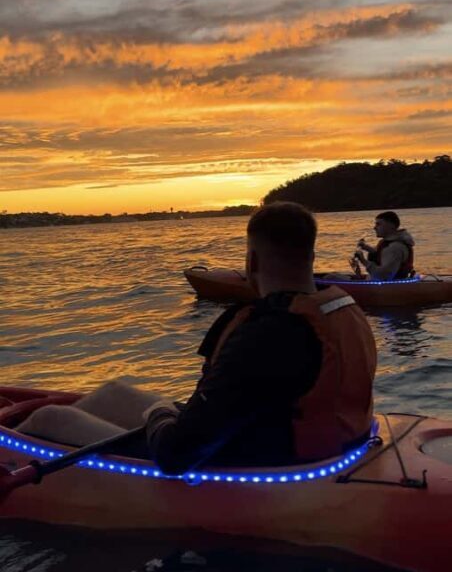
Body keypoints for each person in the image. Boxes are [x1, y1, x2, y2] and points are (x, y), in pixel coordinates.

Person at [18, 202, 377, 475]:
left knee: (49, 418)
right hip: (302, 438)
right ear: (311, 256)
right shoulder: (339, 307)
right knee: (112, 392)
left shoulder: (267, 333)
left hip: (261, 461)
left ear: (251, 260)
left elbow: (177, 455)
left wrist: (159, 413)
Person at [353, 211, 415, 281]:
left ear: (391, 225)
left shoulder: (395, 248)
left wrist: (363, 260)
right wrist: (365, 247)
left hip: (390, 287)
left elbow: (383, 276)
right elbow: (380, 253)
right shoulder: (389, 242)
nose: (374, 228)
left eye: (378, 224)